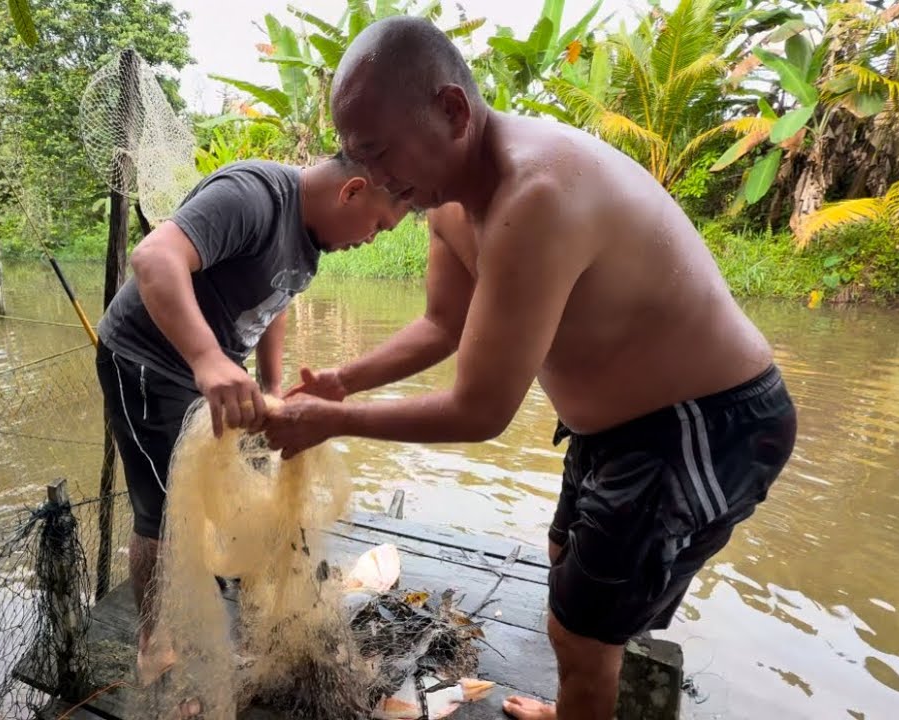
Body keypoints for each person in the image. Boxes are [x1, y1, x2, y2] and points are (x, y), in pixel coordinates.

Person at [263, 16, 798, 720]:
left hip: (704, 423)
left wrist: (331, 422)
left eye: (378, 151)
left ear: (452, 111)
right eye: (356, 155)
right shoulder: (449, 204)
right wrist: (343, 382)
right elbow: (443, 325)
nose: (368, 175)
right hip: (608, 427)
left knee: (582, 634)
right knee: (562, 565)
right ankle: (582, 698)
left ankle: (582, 693)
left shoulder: (536, 193)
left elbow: (481, 412)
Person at [94, 154, 408, 686]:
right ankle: (155, 642)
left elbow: (277, 296)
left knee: (233, 488)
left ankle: (217, 598)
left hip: (214, 371)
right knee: (164, 514)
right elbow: (154, 258)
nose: (374, 238)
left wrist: (270, 384)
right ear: (352, 191)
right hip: (147, 362)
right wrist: (205, 358)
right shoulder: (254, 195)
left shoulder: (311, 235)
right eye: (380, 224)